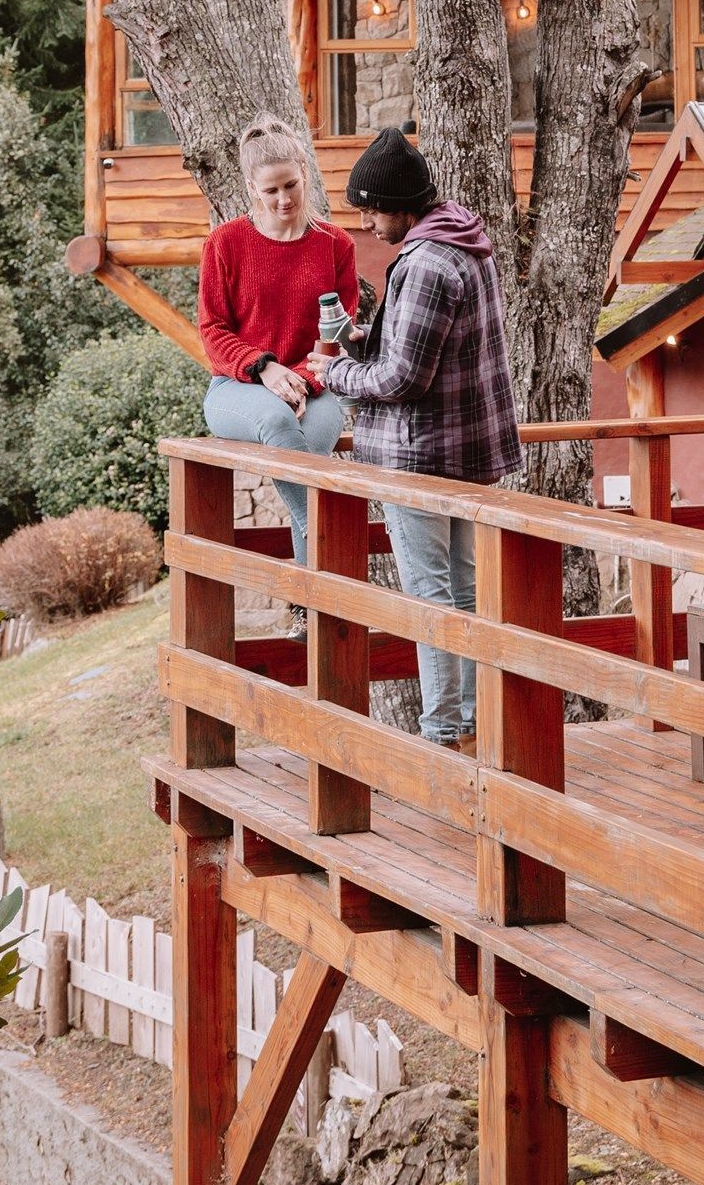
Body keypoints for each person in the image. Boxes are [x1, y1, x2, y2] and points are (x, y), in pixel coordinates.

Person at [308, 125, 519, 751]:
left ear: (400, 204)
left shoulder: (424, 263)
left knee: (430, 597)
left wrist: (337, 371)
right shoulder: (463, 240)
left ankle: (440, 734)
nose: (367, 224)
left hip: (418, 454)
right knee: (466, 591)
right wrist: (360, 337)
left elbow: (403, 377)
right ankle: (482, 723)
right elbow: (422, 348)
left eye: (371, 209)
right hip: (463, 451)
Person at [199, 119, 360, 560]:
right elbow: (212, 330)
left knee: (302, 448)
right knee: (276, 421)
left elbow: (338, 334)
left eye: (291, 184)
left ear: (305, 172)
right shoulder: (225, 243)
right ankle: (323, 532)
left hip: (318, 387)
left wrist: (302, 382)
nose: (284, 199)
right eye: (271, 191)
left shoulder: (335, 245)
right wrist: (265, 368)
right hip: (237, 389)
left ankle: (306, 610)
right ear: (252, 187)